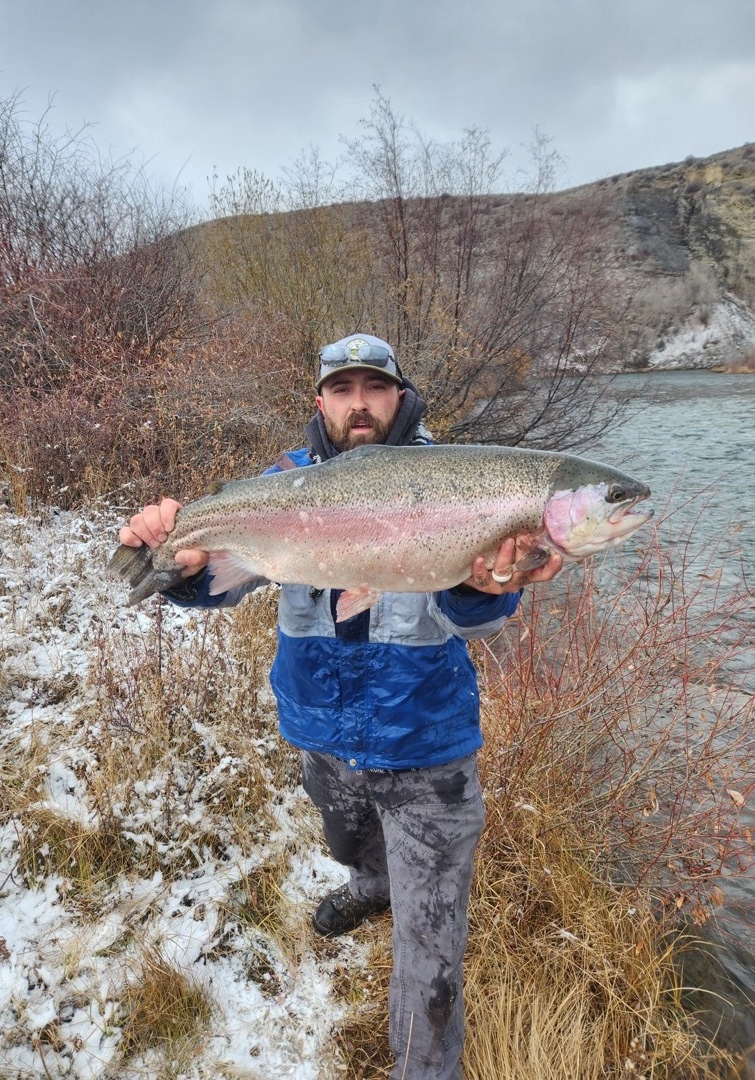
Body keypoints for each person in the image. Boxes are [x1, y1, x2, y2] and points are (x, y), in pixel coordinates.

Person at [118, 333, 563, 1080]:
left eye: (375, 388)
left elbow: (482, 618)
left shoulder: (458, 483)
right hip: (320, 733)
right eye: (343, 389)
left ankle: (424, 1069)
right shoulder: (281, 483)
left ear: (399, 397)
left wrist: (480, 580)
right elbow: (220, 581)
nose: (360, 404)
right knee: (351, 841)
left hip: (427, 750)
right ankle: (369, 887)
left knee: (430, 961)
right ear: (319, 402)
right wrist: (174, 562)